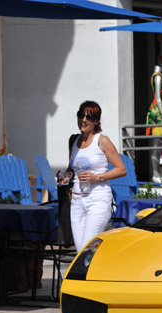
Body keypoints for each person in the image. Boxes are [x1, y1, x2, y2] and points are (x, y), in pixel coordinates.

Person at [59, 100, 126, 252]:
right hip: (76, 201)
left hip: (97, 199)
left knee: (86, 249)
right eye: (81, 115)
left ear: (96, 121)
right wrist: (66, 177)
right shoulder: (73, 140)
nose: (84, 119)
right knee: (81, 251)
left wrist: (97, 177)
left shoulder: (102, 141)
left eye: (89, 117)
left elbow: (121, 169)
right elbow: (71, 168)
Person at [146, 65, 162, 183]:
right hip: (157, 113)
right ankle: (155, 174)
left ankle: (156, 174)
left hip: (160, 112)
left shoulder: (158, 76)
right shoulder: (157, 77)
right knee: (156, 145)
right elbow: (159, 98)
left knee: (158, 144)